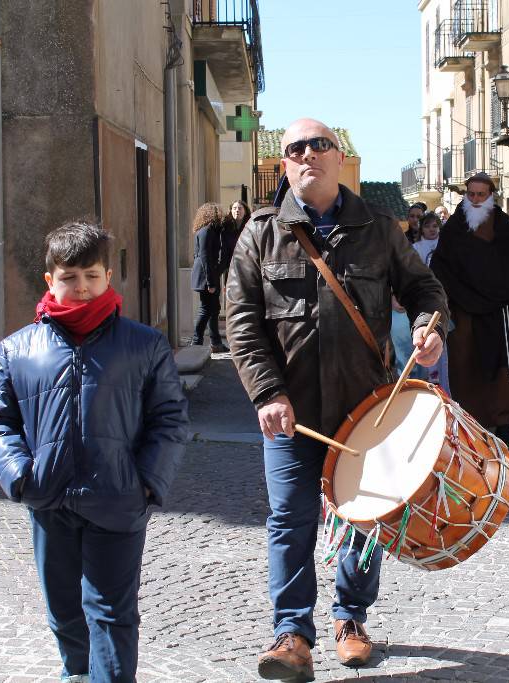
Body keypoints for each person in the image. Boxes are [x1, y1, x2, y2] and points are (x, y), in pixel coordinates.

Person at [225, 118, 448, 682]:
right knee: (289, 520)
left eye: (318, 145)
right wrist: (266, 392)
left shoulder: (378, 227)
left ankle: (351, 620)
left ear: (338, 156)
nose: (306, 155)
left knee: (363, 518)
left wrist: (428, 327)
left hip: (366, 407)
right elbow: (242, 322)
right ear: (286, 165)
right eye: (295, 149)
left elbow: (425, 289)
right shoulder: (260, 233)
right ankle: (293, 634)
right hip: (291, 413)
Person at [0, 221, 188, 683]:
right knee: (64, 611)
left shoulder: (144, 344)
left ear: (108, 277)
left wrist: (147, 484)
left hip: (117, 500)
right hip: (49, 499)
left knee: (112, 613)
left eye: (92, 276)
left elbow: (170, 419)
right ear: (49, 281)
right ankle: (76, 673)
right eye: (70, 277)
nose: (82, 288)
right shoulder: (18, 350)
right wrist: (20, 476)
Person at [430, 173, 509, 444]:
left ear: (491, 195)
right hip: (464, 310)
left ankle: (503, 424)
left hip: (500, 311)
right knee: (465, 366)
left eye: (480, 195)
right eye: (470, 194)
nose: (474, 200)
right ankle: (471, 425)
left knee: (501, 368)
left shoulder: (505, 226)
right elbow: (440, 266)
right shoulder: (454, 228)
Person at [413, 211, 451, 392]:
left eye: (435, 226)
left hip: (444, 301)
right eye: (427, 226)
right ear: (421, 228)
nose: (432, 229)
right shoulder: (415, 248)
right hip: (425, 302)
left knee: (441, 348)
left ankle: (444, 390)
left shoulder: (446, 245)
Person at [190, 202, 228, 353]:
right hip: (205, 277)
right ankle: (196, 342)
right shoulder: (206, 231)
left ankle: (216, 342)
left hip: (208, 275)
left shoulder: (210, 231)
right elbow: (205, 257)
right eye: (218, 213)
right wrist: (211, 282)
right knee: (205, 310)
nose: (221, 215)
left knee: (214, 309)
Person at [221, 199, 251, 283]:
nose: (237, 210)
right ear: (231, 211)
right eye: (234, 208)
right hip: (230, 265)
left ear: (245, 211)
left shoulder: (250, 225)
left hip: (246, 264)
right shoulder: (225, 226)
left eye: (240, 208)